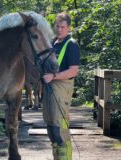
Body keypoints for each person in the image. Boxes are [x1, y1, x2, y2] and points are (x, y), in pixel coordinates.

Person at [42, 12, 80, 160]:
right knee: (51, 130)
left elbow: (74, 70)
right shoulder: (52, 43)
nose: (59, 29)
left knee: (60, 130)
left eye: (62, 27)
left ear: (69, 28)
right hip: (49, 90)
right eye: (57, 26)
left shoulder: (72, 45)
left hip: (62, 89)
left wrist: (54, 76)